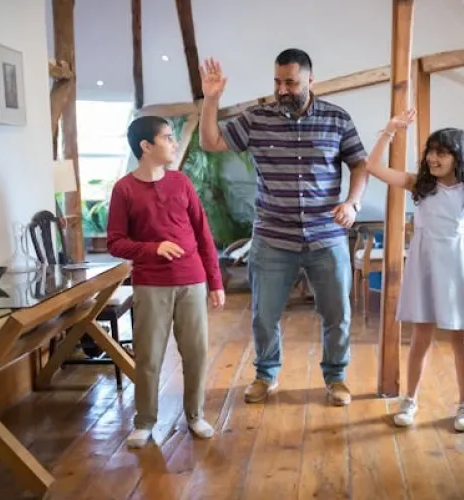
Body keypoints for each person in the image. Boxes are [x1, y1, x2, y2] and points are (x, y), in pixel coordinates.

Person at [198, 48, 370, 406]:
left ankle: (336, 377)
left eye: (290, 82)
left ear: (310, 80)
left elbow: (359, 164)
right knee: (264, 315)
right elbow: (210, 142)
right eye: (277, 82)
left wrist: (352, 203)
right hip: (273, 238)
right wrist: (211, 99)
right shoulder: (256, 119)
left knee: (337, 314)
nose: (282, 90)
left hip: (326, 236)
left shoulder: (337, 119)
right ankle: (266, 374)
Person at [363, 109, 464, 432]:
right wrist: (389, 130)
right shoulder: (419, 185)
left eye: (441, 153)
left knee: (461, 338)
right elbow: (372, 167)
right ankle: (410, 399)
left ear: (457, 156)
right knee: (421, 335)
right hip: (424, 264)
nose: (433, 158)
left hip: (459, 266)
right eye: (431, 152)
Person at [106, 115, 226, 447]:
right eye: (167, 137)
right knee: (149, 356)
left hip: (193, 281)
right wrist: (153, 248)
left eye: (173, 137)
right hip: (150, 284)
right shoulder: (124, 189)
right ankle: (145, 421)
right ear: (146, 146)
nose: (174, 143)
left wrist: (215, 282)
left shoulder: (181, 182)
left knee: (196, 353)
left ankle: (195, 416)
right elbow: (115, 242)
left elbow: (203, 234)